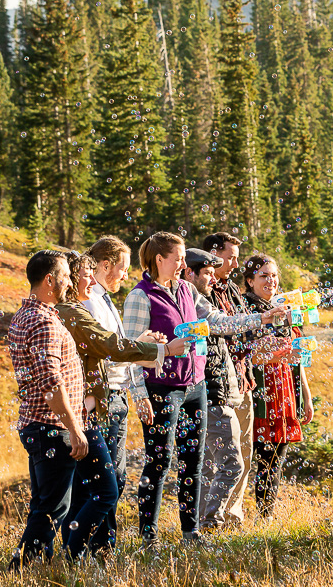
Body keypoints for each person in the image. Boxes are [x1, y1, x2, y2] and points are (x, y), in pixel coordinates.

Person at [122, 234, 286, 545]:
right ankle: (149, 537)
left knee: (193, 461)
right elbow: (131, 350)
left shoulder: (185, 290)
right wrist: (140, 395)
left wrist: (261, 317)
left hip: (195, 387)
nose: (184, 264)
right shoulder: (140, 297)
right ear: (160, 260)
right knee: (159, 462)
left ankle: (191, 532)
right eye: (178, 257)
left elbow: (217, 322)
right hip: (161, 389)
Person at [54, 249, 184, 554]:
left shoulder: (88, 304)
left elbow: (113, 346)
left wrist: (143, 347)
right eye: (86, 274)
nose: (91, 280)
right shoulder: (75, 311)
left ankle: (93, 550)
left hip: (109, 398)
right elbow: (109, 347)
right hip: (93, 403)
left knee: (108, 482)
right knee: (100, 487)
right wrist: (159, 352)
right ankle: (81, 552)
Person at [6, 250, 100, 567]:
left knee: (43, 502)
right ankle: (23, 566)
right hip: (51, 427)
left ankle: (39, 563)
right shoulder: (43, 322)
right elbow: (50, 382)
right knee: (53, 507)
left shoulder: (25, 315)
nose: (70, 282)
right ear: (50, 280)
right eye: (65, 276)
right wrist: (75, 430)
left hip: (36, 424)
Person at [199, 232, 267, 531]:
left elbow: (245, 331)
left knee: (243, 453)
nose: (236, 262)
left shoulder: (233, 291)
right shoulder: (203, 291)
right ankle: (210, 518)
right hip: (216, 384)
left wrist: (269, 345)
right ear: (212, 255)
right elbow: (220, 329)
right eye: (231, 256)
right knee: (217, 458)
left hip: (242, 380)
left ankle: (233, 518)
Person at [241, 253, 313, 519]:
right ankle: (255, 514)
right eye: (263, 276)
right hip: (260, 391)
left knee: (276, 460)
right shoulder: (246, 312)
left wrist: (306, 395)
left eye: (273, 275)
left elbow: (297, 358)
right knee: (261, 459)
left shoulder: (286, 310)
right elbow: (247, 353)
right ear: (249, 281)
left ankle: (267, 516)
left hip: (285, 390)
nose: (270, 280)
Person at [84, 236, 141, 505]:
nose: (126, 275)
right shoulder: (90, 302)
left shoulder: (104, 298)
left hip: (118, 394)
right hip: (103, 396)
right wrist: (143, 348)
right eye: (123, 268)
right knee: (103, 481)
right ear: (105, 265)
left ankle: (107, 545)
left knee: (116, 477)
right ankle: (96, 544)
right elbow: (103, 351)